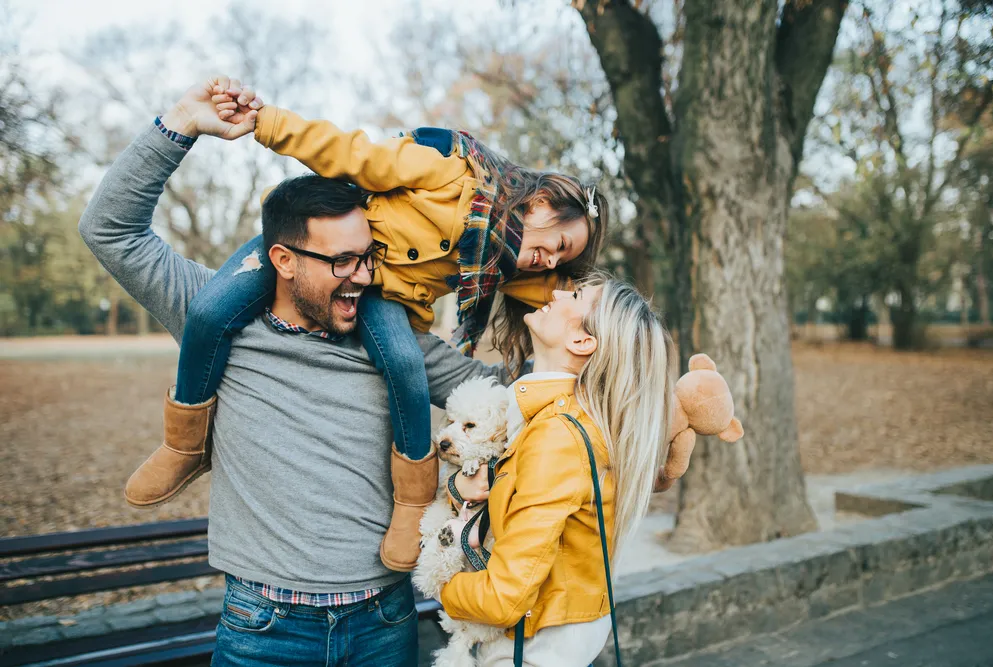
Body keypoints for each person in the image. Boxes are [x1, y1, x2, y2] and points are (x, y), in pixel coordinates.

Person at [79, 76, 502, 666]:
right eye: (341, 261)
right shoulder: (216, 315)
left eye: (368, 257)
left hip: (384, 622)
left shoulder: (397, 342)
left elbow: (509, 397)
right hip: (263, 630)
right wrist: (181, 122)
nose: (363, 276)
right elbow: (109, 230)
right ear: (282, 259)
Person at [123, 78, 610, 574]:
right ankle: (183, 444)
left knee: (403, 363)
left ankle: (413, 502)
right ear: (541, 204)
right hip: (335, 249)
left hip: (379, 297)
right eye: (557, 245)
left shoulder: (509, 266)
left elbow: (582, 309)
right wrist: (266, 123)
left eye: (560, 260)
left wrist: (629, 357)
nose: (548, 261)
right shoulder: (448, 177)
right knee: (208, 311)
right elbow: (353, 154)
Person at [439, 275, 677, 666]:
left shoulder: (556, 435)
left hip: (529, 653)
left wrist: (441, 584)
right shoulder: (560, 419)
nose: (559, 292)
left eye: (577, 295)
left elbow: (503, 599)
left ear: (582, 341)